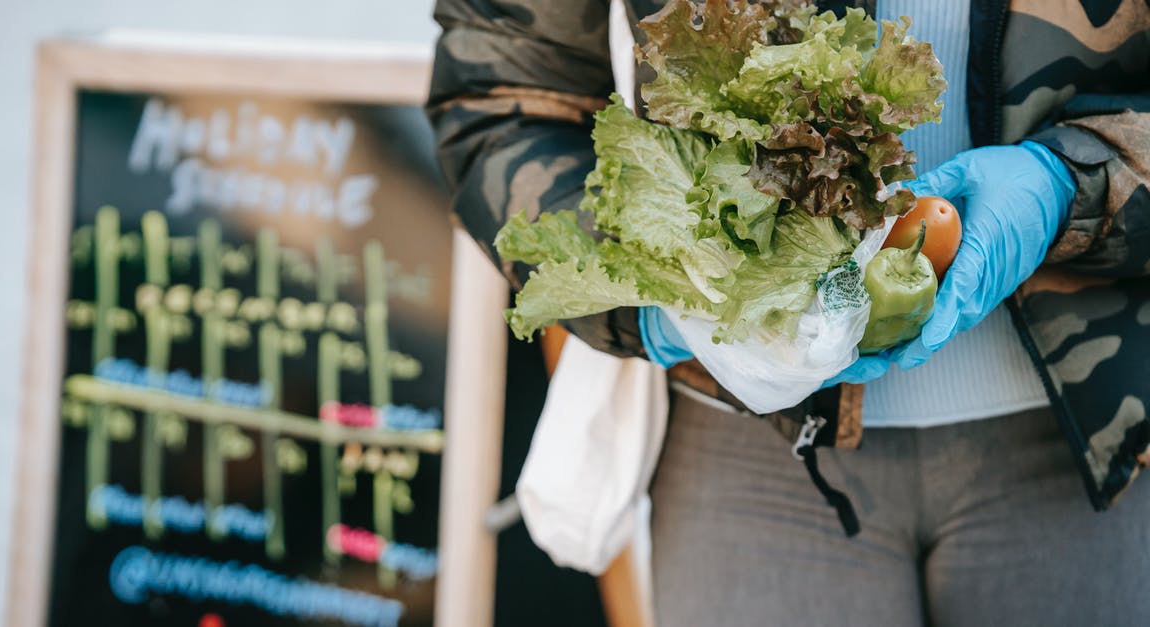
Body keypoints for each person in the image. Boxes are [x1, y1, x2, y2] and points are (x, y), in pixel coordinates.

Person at [427, 0, 1150, 624]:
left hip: (1099, 430)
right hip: (748, 453)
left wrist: (1076, 184)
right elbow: (503, 92)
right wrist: (661, 296)